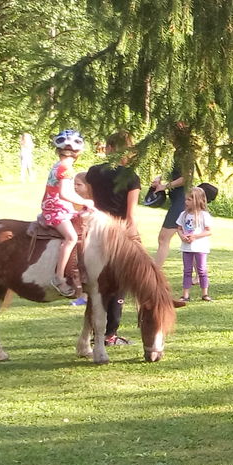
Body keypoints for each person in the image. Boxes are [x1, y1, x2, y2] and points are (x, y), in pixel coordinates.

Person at [85, 130, 142, 345]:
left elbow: (92, 202)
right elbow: (130, 215)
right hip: (118, 236)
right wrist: (134, 240)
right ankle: (110, 334)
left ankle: (93, 332)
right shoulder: (131, 177)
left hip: (95, 232)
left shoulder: (93, 172)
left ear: (108, 149)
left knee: (95, 285)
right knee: (118, 286)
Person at [39, 129, 94, 297]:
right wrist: (85, 201)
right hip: (56, 210)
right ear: (78, 153)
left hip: (60, 207)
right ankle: (59, 278)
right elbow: (64, 193)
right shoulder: (66, 169)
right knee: (70, 238)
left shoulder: (60, 165)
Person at [148, 122, 194, 269]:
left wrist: (165, 186)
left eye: (171, 133)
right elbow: (174, 173)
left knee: (163, 238)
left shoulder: (186, 153)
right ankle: (200, 275)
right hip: (179, 200)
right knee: (186, 238)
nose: (169, 136)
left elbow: (186, 177)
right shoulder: (179, 152)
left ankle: (155, 272)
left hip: (182, 201)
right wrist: (159, 178)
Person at [178, 183, 217, 302]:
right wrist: (183, 236)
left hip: (200, 248)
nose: (186, 202)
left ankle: (205, 293)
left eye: (189, 199)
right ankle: (185, 294)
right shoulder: (183, 215)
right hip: (187, 248)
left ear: (197, 200)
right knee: (187, 270)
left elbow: (208, 231)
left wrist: (195, 236)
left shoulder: (204, 215)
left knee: (202, 270)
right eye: (186, 199)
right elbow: (179, 228)